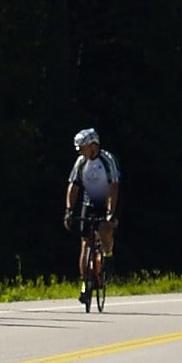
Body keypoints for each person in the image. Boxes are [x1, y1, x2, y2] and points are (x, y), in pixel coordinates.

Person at [65, 128, 121, 304]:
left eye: (82, 148)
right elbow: (73, 186)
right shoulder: (81, 162)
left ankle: (108, 254)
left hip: (107, 202)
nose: (80, 152)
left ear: (93, 146)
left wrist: (110, 213)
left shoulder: (107, 160)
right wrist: (69, 211)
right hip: (89, 204)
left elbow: (114, 187)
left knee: (104, 230)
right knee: (85, 243)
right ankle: (85, 284)